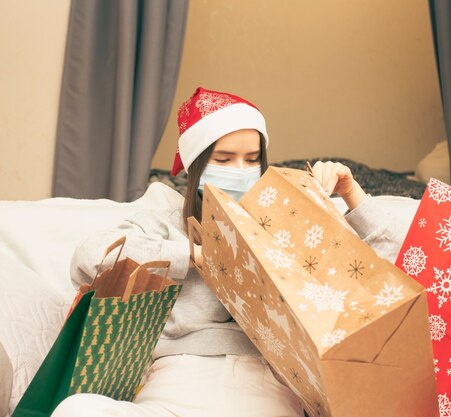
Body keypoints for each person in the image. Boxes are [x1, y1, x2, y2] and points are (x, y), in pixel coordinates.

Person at [52, 86, 413, 417]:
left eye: (251, 159)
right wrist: (193, 254)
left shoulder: (289, 221)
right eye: (223, 160)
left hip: (270, 388)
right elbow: (90, 258)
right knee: (76, 410)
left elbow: (398, 277)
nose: (240, 171)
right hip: (178, 380)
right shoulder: (163, 222)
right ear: (196, 167)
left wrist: (352, 195)